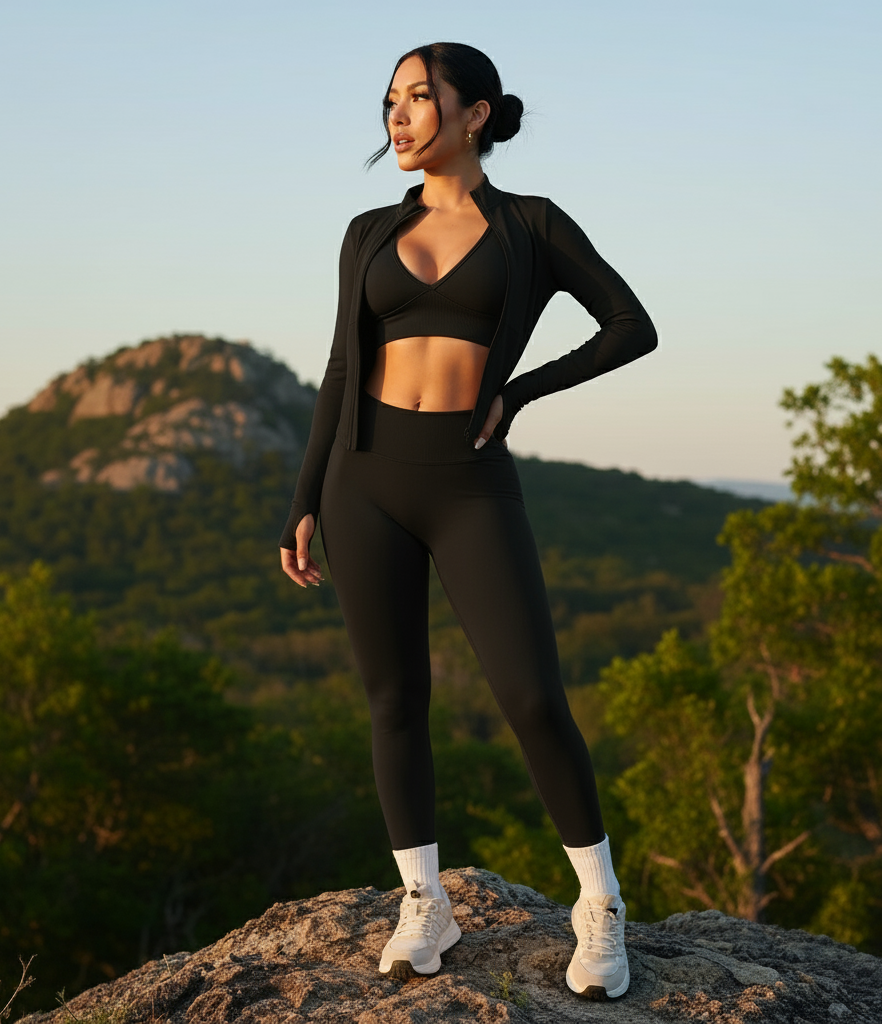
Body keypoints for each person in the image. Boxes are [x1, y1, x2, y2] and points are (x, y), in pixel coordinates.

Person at [279, 41, 657, 1000]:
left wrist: (521, 390)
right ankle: (424, 899)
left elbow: (629, 323)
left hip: (469, 477)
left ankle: (601, 904)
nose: (398, 118)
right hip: (363, 478)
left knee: (532, 696)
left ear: (476, 112)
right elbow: (338, 369)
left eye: (418, 98)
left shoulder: (531, 224)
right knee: (395, 698)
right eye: (389, 103)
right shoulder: (366, 230)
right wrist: (306, 498)